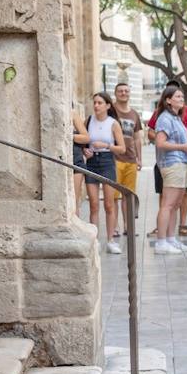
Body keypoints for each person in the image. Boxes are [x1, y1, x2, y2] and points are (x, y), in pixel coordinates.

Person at [148, 81, 187, 237]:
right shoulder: (164, 118)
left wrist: (184, 146)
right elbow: (160, 142)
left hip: (182, 163)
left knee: (175, 204)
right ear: (168, 100)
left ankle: (171, 239)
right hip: (172, 163)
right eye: (177, 96)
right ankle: (162, 240)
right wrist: (183, 146)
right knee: (168, 204)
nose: (181, 98)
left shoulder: (177, 117)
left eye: (182, 96)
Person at [77, 92, 127, 253]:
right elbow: (83, 141)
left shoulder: (113, 123)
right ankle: (95, 240)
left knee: (109, 204)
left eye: (100, 103)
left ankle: (111, 240)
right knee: (93, 204)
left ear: (107, 106)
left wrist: (106, 145)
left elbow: (122, 148)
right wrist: (85, 150)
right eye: (95, 102)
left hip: (107, 162)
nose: (96, 105)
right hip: (91, 163)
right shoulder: (89, 120)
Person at [109, 82, 143, 238]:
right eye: (120, 91)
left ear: (130, 93)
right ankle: (114, 227)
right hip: (114, 159)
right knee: (114, 196)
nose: (123, 93)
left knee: (128, 196)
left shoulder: (134, 114)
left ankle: (128, 227)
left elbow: (137, 138)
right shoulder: (110, 111)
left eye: (126, 91)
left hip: (130, 160)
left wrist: (139, 158)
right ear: (115, 94)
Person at [70, 105, 88, 214]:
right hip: (57, 160)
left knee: (74, 200)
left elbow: (86, 137)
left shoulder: (72, 113)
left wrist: (70, 136)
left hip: (75, 160)